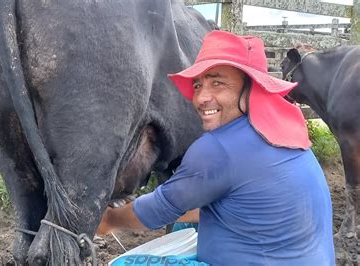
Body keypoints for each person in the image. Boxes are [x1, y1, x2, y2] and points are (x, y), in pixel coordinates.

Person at [97, 30, 335, 265]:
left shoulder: (218, 148)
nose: (201, 98)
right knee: (184, 222)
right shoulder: (286, 132)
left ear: (252, 87)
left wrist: (108, 220)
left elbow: (158, 209)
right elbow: (234, 206)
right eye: (198, 85)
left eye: (218, 83)